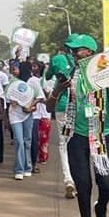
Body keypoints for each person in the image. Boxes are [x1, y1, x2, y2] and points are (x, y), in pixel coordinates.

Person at [47, 34, 109, 217]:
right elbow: (49, 107)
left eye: (79, 49)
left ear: (91, 51)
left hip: (101, 134)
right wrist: (58, 90)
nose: (75, 53)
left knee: (108, 183)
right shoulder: (69, 75)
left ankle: (101, 208)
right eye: (73, 50)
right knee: (83, 185)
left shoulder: (105, 74)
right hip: (77, 136)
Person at [46, 50, 78, 199]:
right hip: (80, 107)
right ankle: (78, 178)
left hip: (62, 107)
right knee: (80, 142)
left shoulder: (56, 58)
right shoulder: (85, 62)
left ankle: (68, 179)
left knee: (64, 143)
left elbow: (47, 76)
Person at [5, 60, 42, 180]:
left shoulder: (32, 82)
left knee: (27, 141)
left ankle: (28, 167)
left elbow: (40, 97)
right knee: (19, 141)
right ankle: (19, 169)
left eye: (18, 68)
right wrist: (13, 101)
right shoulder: (13, 82)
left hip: (28, 115)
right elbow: (7, 96)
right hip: (15, 115)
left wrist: (30, 106)